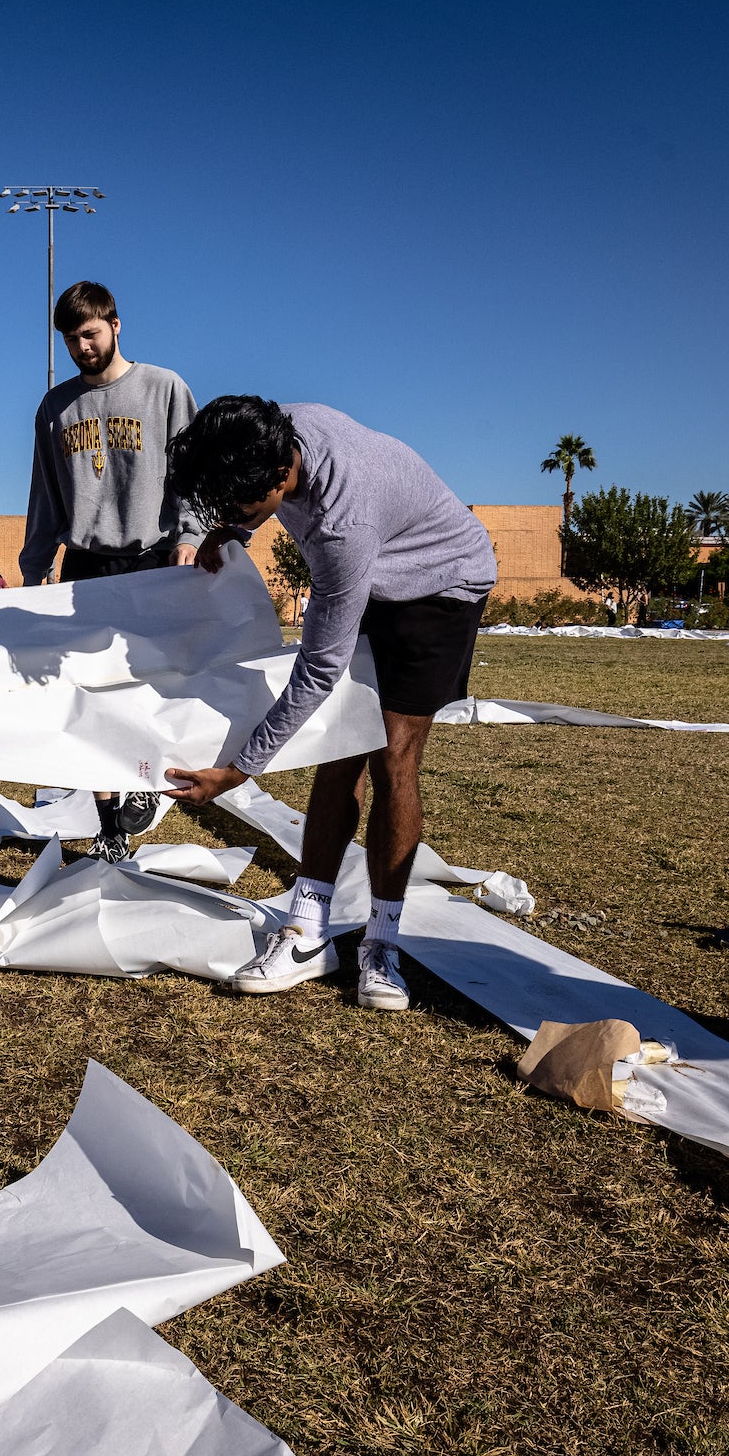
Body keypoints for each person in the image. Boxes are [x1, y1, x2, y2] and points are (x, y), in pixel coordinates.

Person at [159, 396, 498, 1012]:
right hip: (374, 566)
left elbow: (318, 670)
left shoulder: (345, 523)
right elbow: (251, 495)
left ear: (281, 478)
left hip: (441, 584)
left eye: (242, 504)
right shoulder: (272, 430)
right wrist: (231, 527)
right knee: (340, 753)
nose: (240, 514)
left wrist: (238, 773)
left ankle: (383, 945)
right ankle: (308, 933)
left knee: (393, 757)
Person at [18, 281, 211, 862]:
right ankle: (109, 822)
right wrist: (34, 564)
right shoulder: (56, 407)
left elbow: (194, 471)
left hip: (152, 558)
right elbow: (44, 491)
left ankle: (147, 784)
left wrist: (192, 534)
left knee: (151, 685)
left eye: (90, 334)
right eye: (71, 339)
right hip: (86, 563)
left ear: (116, 325)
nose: (81, 347)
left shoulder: (164, 388)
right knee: (92, 694)